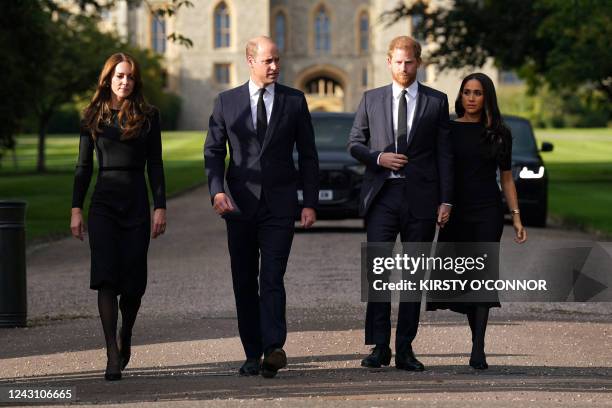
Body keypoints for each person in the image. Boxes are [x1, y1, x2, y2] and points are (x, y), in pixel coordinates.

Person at [204, 36, 319, 378]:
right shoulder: (227, 102)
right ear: (250, 61)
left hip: (280, 206)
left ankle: (273, 348)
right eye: (268, 61)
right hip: (238, 207)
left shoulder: (294, 101)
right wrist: (216, 191)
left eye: (277, 60)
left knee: (272, 277)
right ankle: (252, 353)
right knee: (243, 280)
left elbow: (309, 157)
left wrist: (309, 202)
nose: (275, 67)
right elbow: (213, 151)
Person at [348, 36, 453, 371]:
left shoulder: (437, 101)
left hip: (421, 199)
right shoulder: (371, 99)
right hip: (382, 197)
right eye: (398, 61)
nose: (404, 67)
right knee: (377, 273)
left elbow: (445, 155)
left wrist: (446, 199)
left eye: (409, 62)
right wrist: (378, 157)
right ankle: (380, 347)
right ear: (388, 62)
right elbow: (354, 143)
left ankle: (405, 348)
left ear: (418, 62)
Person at [71, 53, 167, 381]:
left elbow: (155, 164)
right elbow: (83, 167)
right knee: (106, 277)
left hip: (137, 203)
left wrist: (160, 206)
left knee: (134, 283)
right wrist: (75, 209)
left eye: (129, 76)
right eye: (119, 76)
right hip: (103, 206)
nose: (125, 81)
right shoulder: (92, 116)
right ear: (108, 79)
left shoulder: (148, 116)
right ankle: (111, 351)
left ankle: (127, 336)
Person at [426, 72, 527, 370]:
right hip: (456, 212)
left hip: (487, 212)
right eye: (467, 92)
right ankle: (476, 340)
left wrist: (517, 218)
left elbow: (506, 179)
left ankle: (478, 347)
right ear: (461, 96)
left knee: (481, 278)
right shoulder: (447, 129)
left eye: (477, 93)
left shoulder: (499, 132)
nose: (471, 98)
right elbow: (438, 171)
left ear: (487, 97)